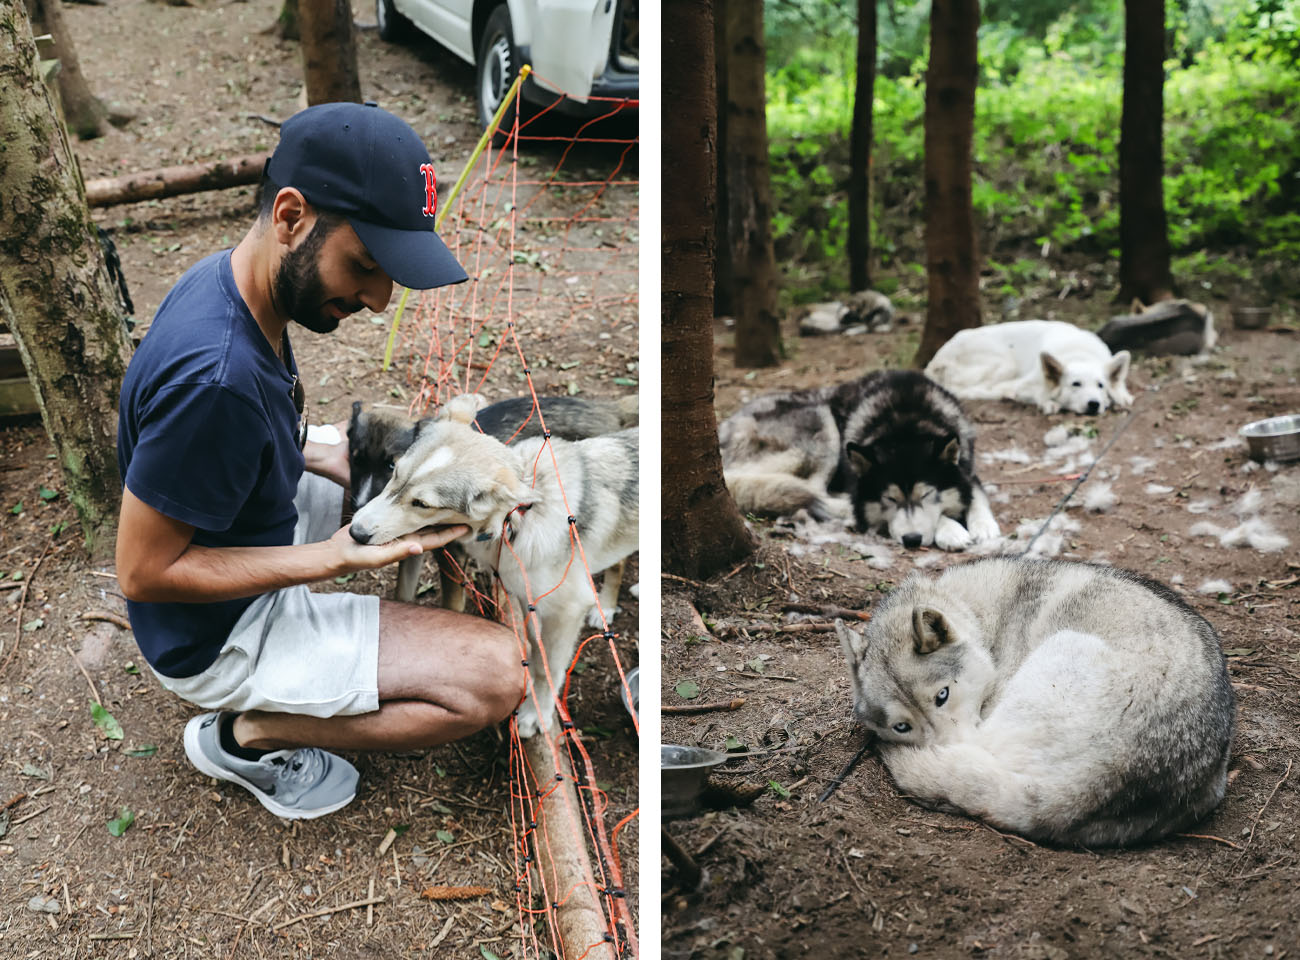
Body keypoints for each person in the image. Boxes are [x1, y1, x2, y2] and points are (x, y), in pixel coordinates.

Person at [115, 102, 525, 820]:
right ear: (291, 216)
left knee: (386, 477)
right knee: (496, 676)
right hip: (214, 635)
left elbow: (239, 438)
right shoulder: (216, 381)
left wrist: (324, 454)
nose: (377, 297)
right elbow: (143, 573)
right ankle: (242, 734)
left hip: (244, 536)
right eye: (365, 265)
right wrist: (334, 560)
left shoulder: (234, 285)